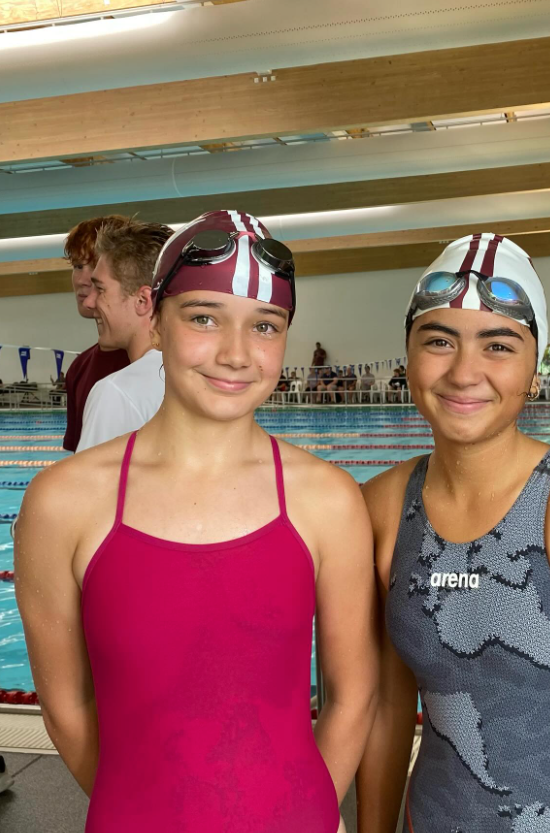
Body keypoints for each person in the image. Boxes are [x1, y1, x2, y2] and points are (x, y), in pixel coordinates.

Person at [15, 210, 377, 833]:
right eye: (204, 317)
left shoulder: (329, 500)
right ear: (155, 318)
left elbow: (352, 697)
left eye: (265, 326)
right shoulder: (62, 503)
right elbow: (67, 705)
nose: (236, 355)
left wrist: (304, 814)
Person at [356, 233, 550, 833]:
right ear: (407, 356)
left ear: (534, 366)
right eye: (438, 340)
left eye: (497, 345)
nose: (463, 371)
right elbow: (386, 707)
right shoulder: (381, 506)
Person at [77, 219, 173, 451]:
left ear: (143, 300)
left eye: (100, 289)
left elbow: (87, 487)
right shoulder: (198, 378)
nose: (90, 302)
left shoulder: (117, 393)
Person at [62, 216, 131, 452]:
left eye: (94, 266)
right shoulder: (80, 367)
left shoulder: (161, 363)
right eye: (78, 266)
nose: (83, 279)